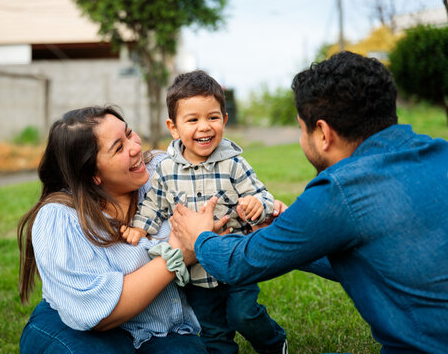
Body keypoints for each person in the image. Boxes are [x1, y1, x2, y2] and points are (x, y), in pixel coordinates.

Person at [169, 51, 448, 353]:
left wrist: (200, 238)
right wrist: (290, 234)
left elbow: (241, 264)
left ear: (323, 133)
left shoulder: (339, 189)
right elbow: (373, 258)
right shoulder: (440, 153)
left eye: (302, 130)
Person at [17, 106, 211, 353]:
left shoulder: (164, 170)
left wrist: (256, 209)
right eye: (119, 148)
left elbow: (217, 199)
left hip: (163, 328)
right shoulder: (60, 217)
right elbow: (98, 313)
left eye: (129, 133)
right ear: (93, 174)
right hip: (82, 331)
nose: (136, 147)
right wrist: (179, 254)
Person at [123, 70, 288, 354]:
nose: (204, 127)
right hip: (197, 276)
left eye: (212, 117)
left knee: (243, 315)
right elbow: (153, 203)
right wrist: (140, 226)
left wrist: (257, 204)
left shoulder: (233, 164)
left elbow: (262, 195)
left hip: (236, 263)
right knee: (213, 333)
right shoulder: (166, 170)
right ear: (173, 127)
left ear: (224, 120)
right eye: (193, 120)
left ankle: (274, 343)